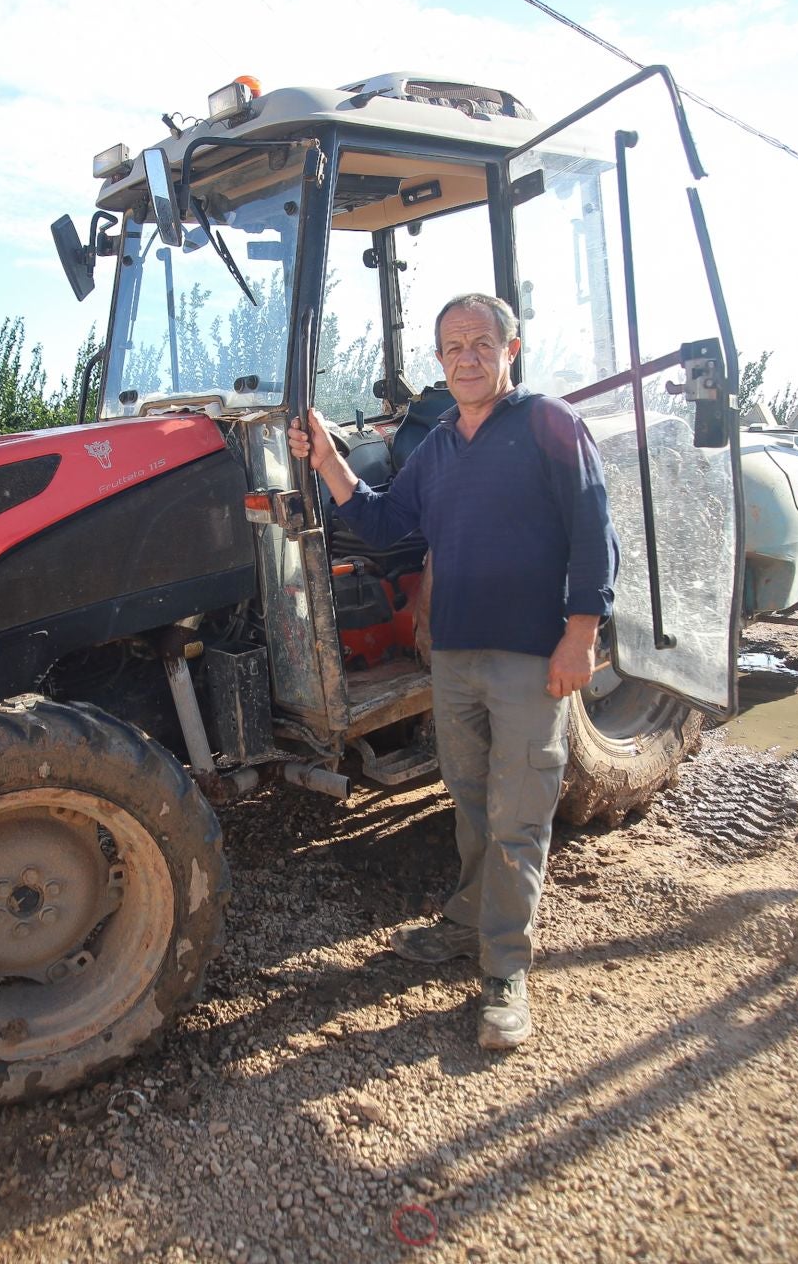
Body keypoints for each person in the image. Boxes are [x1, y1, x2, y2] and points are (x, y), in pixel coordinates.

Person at [287, 292, 615, 1050]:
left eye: (479, 344)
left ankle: (505, 971)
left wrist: (581, 633)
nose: (465, 358)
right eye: (452, 348)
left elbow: (595, 532)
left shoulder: (548, 426)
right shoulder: (438, 446)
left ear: (512, 348)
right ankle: (470, 921)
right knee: (471, 800)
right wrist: (329, 461)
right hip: (458, 656)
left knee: (520, 812)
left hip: (534, 654)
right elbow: (385, 522)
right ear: (439, 361)